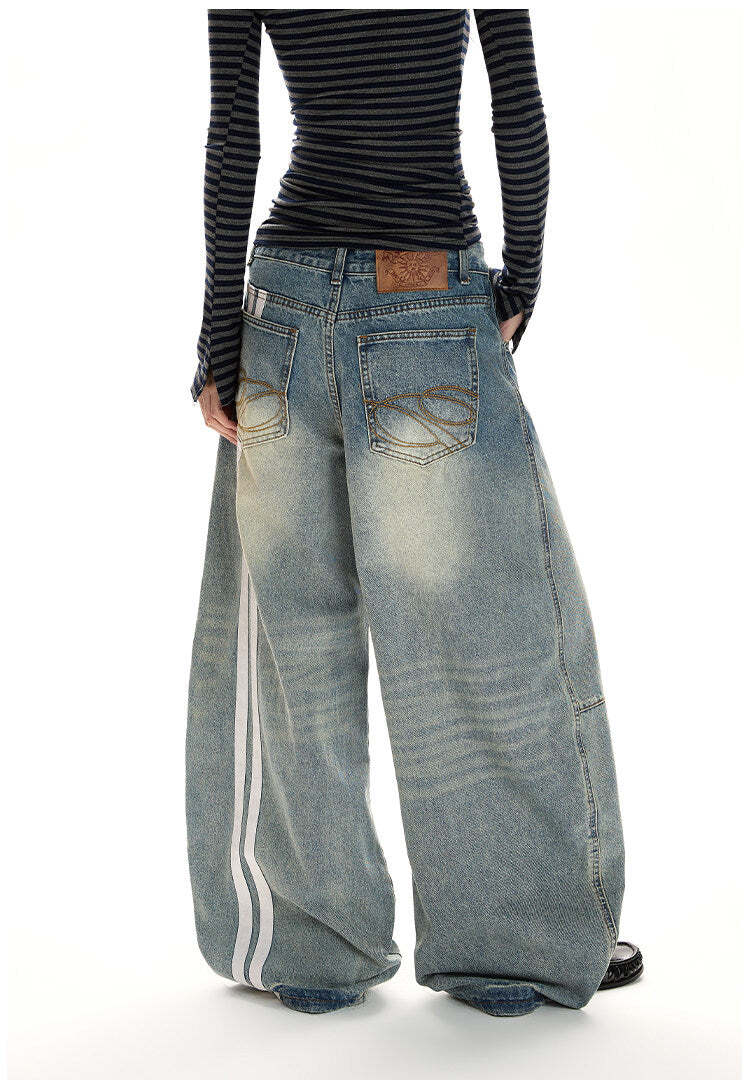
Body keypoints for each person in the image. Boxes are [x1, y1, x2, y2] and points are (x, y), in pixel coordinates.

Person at [186, 8, 641, 1017]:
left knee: (293, 646)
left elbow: (234, 134)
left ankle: (308, 948)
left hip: (283, 303)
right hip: (425, 290)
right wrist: (522, 279)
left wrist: (220, 342)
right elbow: (515, 104)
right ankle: (510, 949)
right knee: (481, 635)